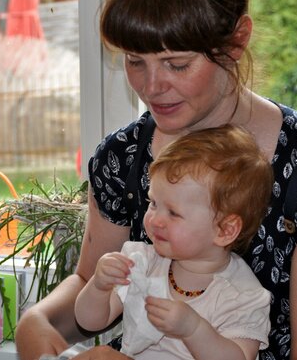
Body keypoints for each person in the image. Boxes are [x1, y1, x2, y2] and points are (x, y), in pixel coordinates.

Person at [15, 0, 297, 359]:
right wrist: (36, 324)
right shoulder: (122, 158)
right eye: (134, 60)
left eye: (177, 64)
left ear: (236, 42)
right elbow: (90, 288)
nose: (151, 87)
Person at [74, 125, 273, 360]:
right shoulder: (141, 262)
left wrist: (194, 329)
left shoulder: (242, 295)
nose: (155, 219)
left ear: (224, 230)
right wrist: (99, 286)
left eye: (173, 213)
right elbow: (89, 321)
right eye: (153, 203)